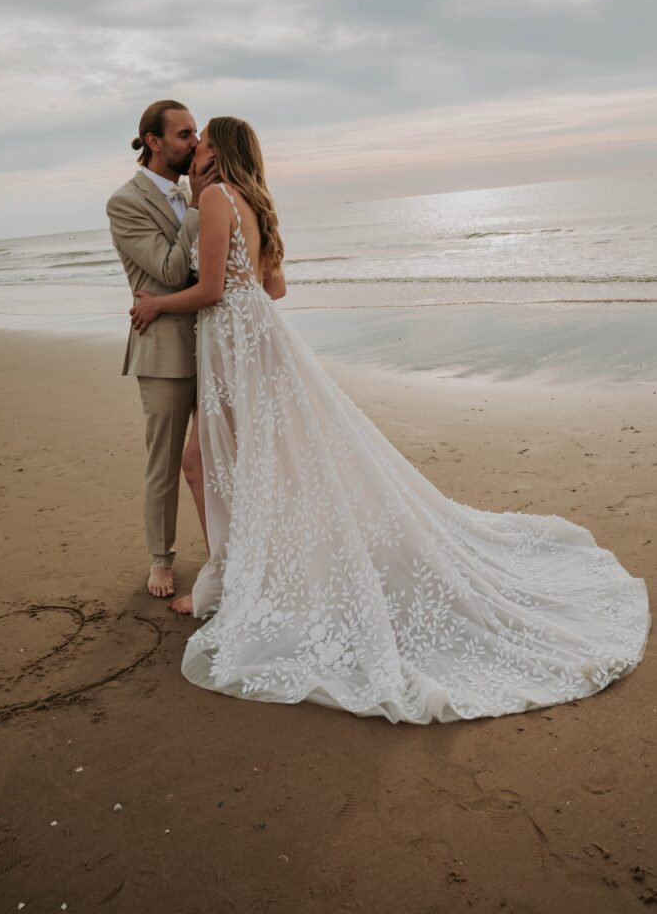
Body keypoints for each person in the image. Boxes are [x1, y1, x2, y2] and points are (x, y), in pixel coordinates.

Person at [129, 116, 650, 725]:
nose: (196, 149)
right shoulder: (251, 200)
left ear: (219, 150)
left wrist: (156, 303)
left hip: (235, 346)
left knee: (229, 465)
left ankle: (243, 583)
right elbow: (274, 289)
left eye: (203, 140)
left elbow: (214, 289)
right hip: (260, 341)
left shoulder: (217, 197)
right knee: (256, 463)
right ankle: (238, 575)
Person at [107, 100, 215, 599]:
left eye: (195, 133)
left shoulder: (201, 193)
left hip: (214, 340)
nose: (194, 143)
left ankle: (225, 551)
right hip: (164, 352)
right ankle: (161, 559)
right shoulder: (125, 203)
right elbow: (172, 272)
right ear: (154, 141)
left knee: (215, 456)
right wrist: (196, 206)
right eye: (184, 134)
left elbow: (207, 270)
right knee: (166, 460)